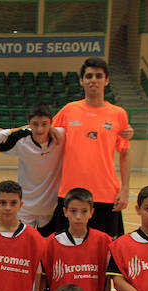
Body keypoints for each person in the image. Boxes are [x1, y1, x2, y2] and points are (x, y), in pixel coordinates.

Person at [50, 57, 131, 237]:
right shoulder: (69, 110)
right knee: (66, 247)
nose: (93, 80)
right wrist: (6, 131)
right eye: (89, 76)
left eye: (98, 76)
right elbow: (41, 128)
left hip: (106, 194)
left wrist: (125, 189)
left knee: (105, 249)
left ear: (106, 80)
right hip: (70, 193)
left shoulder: (119, 114)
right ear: (82, 81)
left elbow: (125, 154)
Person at [38, 187, 112, 291]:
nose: (78, 216)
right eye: (73, 211)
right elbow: (43, 279)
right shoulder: (51, 242)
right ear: (65, 212)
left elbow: (108, 280)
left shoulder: (103, 242)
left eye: (84, 211)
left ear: (91, 212)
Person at [0, 104, 65, 236]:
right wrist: (1, 132)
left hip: (50, 207)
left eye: (44, 124)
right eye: (35, 124)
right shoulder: (20, 140)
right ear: (29, 123)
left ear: (51, 123)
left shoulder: (61, 136)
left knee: (46, 246)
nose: (40, 129)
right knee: (23, 244)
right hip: (25, 207)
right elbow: (0, 144)